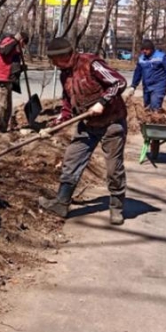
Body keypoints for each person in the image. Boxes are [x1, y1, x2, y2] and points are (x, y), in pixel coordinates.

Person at [38, 37, 130, 225]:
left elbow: (118, 83)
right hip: (87, 125)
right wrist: (56, 124)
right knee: (71, 161)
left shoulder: (91, 63)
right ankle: (61, 203)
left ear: (63, 56)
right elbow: (67, 103)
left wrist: (102, 102)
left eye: (53, 60)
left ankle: (116, 207)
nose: (53, 64)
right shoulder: (65, 74)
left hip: (111, 123)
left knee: (113, 168)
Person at [0, 31, 29, 132]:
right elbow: (4, 51)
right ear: (21, 41)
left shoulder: (16, 48)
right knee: (1, 104)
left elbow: (11, 64)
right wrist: (15, 40)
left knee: (7, 106)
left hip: (9, 79)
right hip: (2, 77)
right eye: (23, 44)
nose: (23, 47)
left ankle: (3, 128)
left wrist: (21, 68)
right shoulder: (8, 42)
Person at [131, 39, 166, 110]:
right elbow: (137, 73)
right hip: (147, 87)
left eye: (146, 49)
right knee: (147, 107)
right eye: (143, 49)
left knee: (155, 105)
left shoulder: (161, 57)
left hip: (159, 86)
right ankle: (153, 119)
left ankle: (156, 119)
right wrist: (133, 86)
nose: (144, 51)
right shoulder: (141, 59)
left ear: (151, 49)